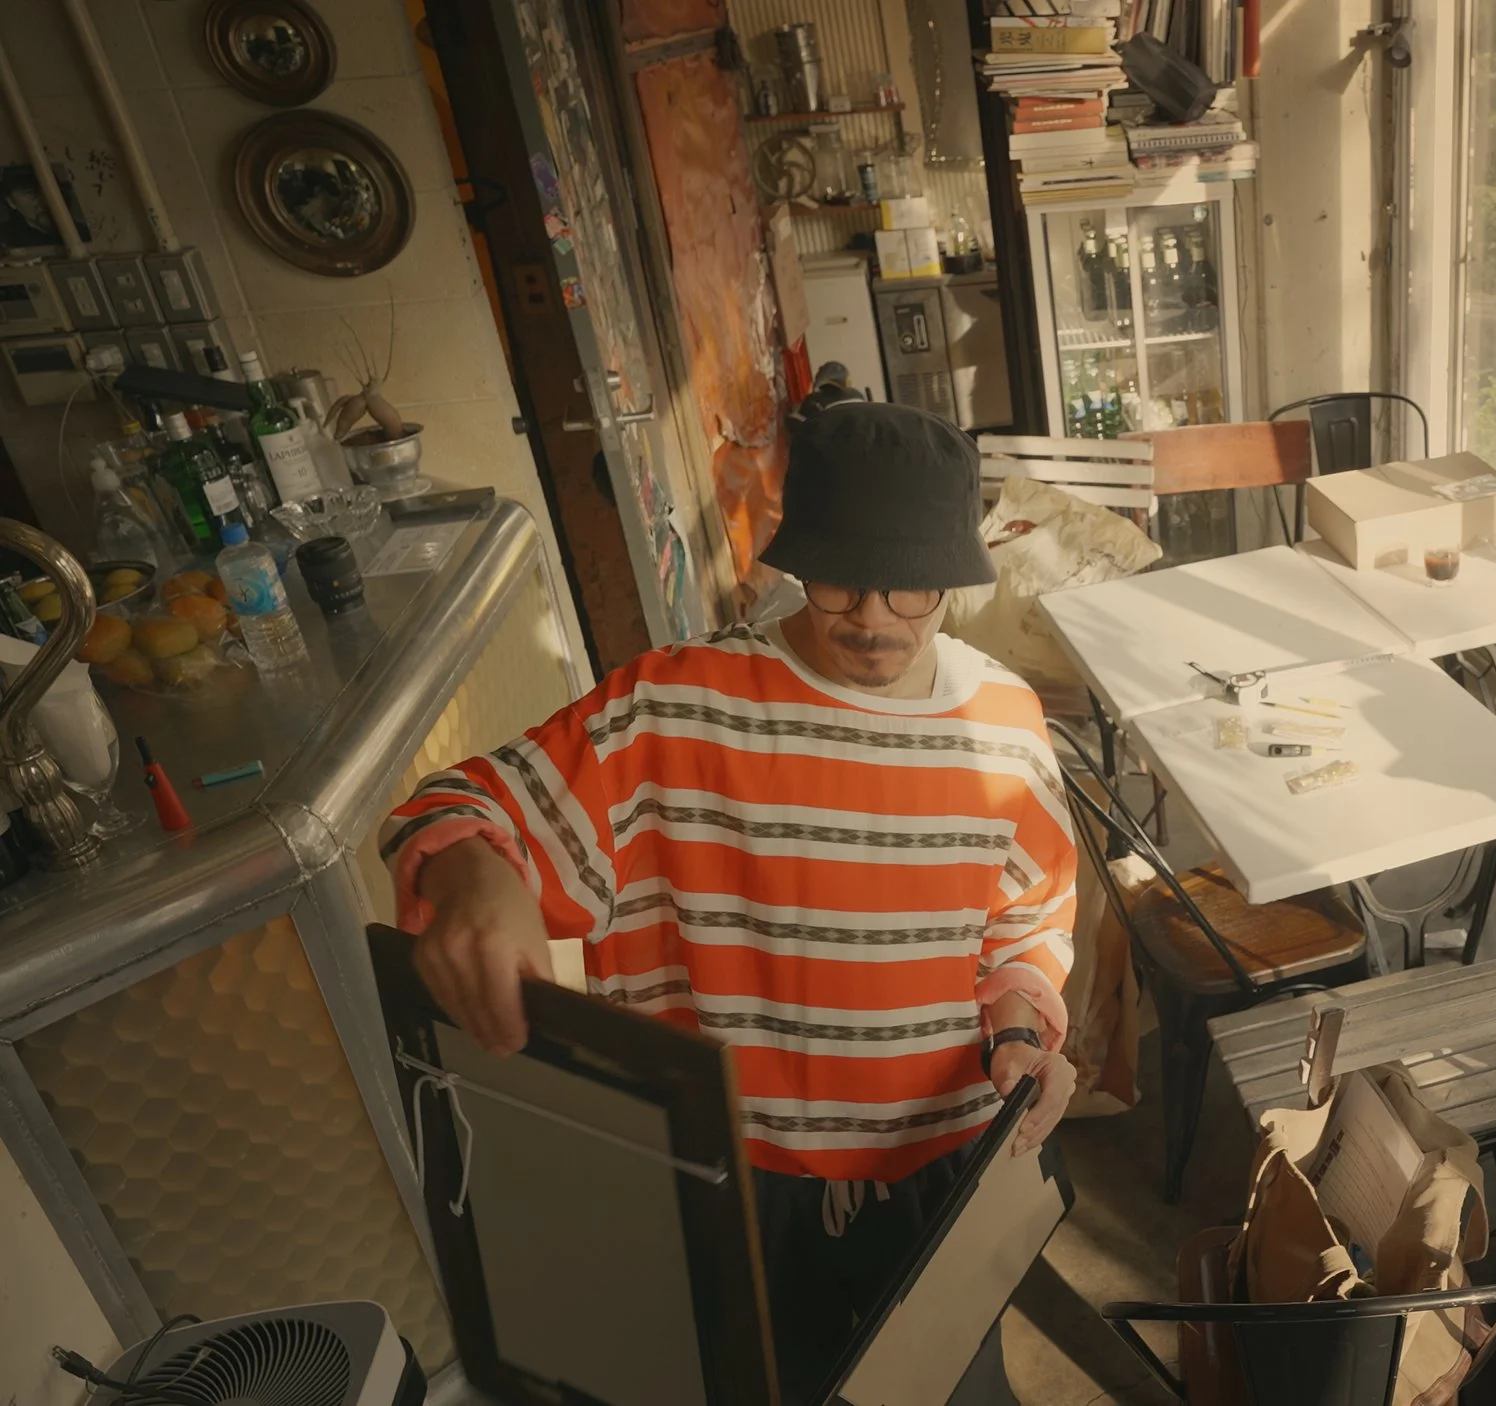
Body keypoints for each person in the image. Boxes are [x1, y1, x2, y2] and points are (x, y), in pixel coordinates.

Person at [381, 402, 1076, 1405]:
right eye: (839, 580)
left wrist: (1019, 1026)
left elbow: (1026, 921)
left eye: (912, 588)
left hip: (940, 1166)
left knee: (946, 1388)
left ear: (962, 574)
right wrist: (474, 872)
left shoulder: (1006, 725)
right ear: (795, 559)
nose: (874, 617)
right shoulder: (675, 707)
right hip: (731, 1176)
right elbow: (451, 803)